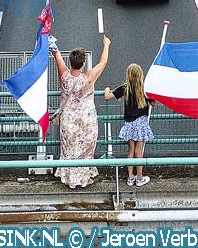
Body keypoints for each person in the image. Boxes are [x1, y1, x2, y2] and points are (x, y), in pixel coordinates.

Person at [51, 35, 111, 189]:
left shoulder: (64, 75)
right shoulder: (89, 78)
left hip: (69, 121)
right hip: (86, 121)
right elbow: (103, 62)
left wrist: (52, 45)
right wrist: (106, 44)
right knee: (85, 151)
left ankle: (70, 178)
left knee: (69, 150)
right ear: (83, 63)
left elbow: (56, 55)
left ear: (71, 62)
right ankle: (83, 177)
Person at [104, 63, 155, 187]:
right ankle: (140, 178)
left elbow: (107, 96)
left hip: (129, 123)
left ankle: (130, 178)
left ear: (128, 75)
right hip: (141, 123)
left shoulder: (125, 88)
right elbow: (154, 103)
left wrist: (106, 89)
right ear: (140, 75)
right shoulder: (145, 89)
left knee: (131, 150)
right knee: (139, 151)